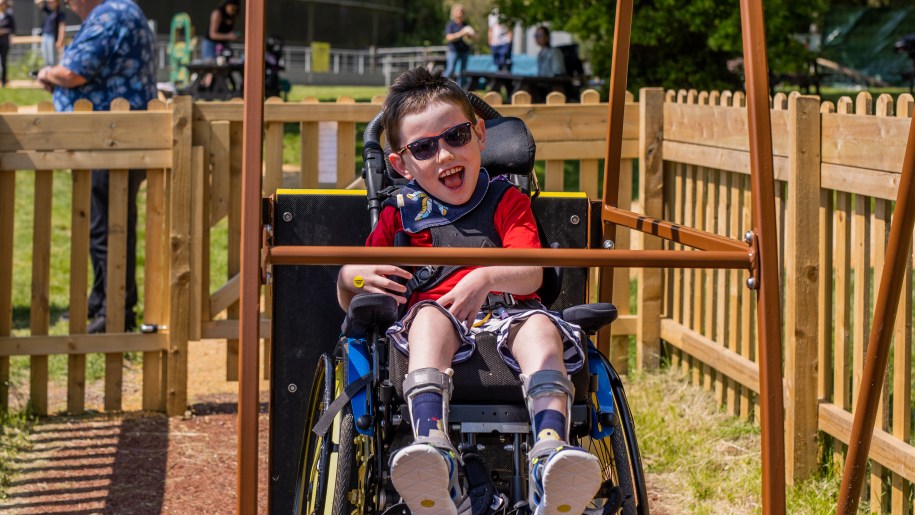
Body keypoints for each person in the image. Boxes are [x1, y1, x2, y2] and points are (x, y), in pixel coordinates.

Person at [336, 68, 601, 515]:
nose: (444, 155)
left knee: (539, 325)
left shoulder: (506, 200)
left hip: (508, 316)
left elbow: (533, 274)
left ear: (480, 135)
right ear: (401, 164)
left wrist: (485, 277)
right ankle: (433, 449)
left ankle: (550, 455)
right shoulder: (399, 215)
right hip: (434, 321)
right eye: (423, 147)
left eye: (456, 136)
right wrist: (350, 277)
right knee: (429, 317)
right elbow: (358, 290)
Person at [37, 0, 157, 334]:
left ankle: (116, 311)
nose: (69, 4)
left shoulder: (109, 15)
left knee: (109, 228)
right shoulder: (124, 10)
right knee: (106, 224)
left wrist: (47, 73)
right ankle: (102, 299)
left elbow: (75, 72)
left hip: (112, 138)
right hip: (121, 136)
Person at [443, 4, 475, 87]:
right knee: (450, 70)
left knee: (463, 72)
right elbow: (449, 37)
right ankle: (441, 87)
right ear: (454, 13)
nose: (460, 13)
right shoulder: (451, 25)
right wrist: (461, 33)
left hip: (465, 51)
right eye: (458, 11)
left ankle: (460, 90)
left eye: (462, 11)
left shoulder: (466, 25)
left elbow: (474, 37)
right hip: (453, 51)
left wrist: (470, 35)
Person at [34, 0, 66, 67]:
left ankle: (53, 75)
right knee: (46, 58)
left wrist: (60, 40)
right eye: (49, 2)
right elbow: (37, 2)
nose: (49, 3)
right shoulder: (47, 11)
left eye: (51, 2)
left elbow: (62, 27)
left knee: (52, 59)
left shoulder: (59, 13)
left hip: (52, 37)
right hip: (45, 36)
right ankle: (48, 74)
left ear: (56, 2)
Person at [0, 0, 14, 88]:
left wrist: (4, 31)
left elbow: (12, 29)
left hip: (4, 41)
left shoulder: (9, 16)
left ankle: (4, 81)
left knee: (4, 62)